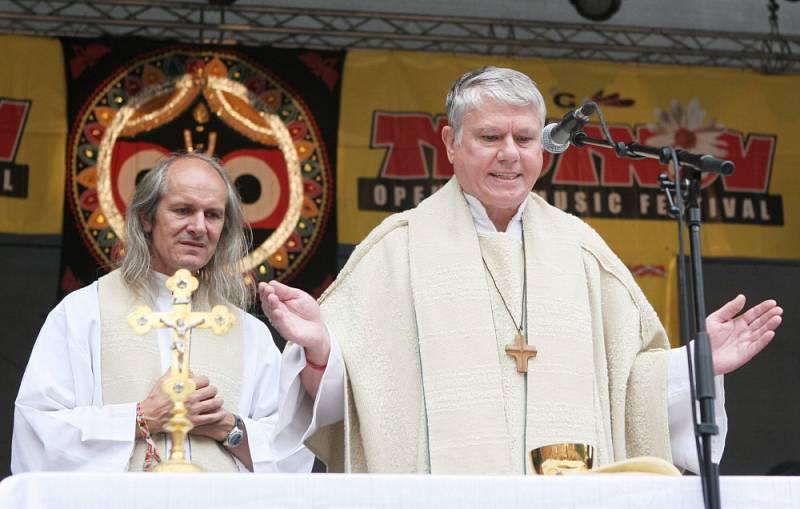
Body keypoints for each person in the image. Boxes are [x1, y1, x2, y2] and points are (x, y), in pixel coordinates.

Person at [264, 67, 783, 474]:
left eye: (526, 138)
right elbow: (352, 394)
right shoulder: (398, 249)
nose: (510, 154)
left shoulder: (580, 248)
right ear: (450, 142)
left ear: (545, 147)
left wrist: (694, 367)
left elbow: (628, 387)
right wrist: (321, 351)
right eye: (490, 137)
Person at [12, 152, 313, 473]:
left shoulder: (249, 332)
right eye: (183, 210)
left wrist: (228, 428)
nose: (199, 227)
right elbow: (39, 431)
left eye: (213, 215)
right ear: (146, 217)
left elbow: (293, 451)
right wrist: (141, 417)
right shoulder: (83, 313)